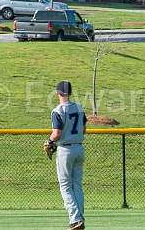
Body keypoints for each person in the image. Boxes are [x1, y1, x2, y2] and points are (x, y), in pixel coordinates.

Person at [48, 81, 87, 230]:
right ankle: (80, 219)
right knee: (77, 185)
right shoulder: (79, 107)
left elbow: (56, 133)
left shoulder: (58, 111)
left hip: (65, 150)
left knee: (65, 186)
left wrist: (49, 140)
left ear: (58, 93)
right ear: (70, 93)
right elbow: (83, 129)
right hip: (79, 149)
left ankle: (75, 219)